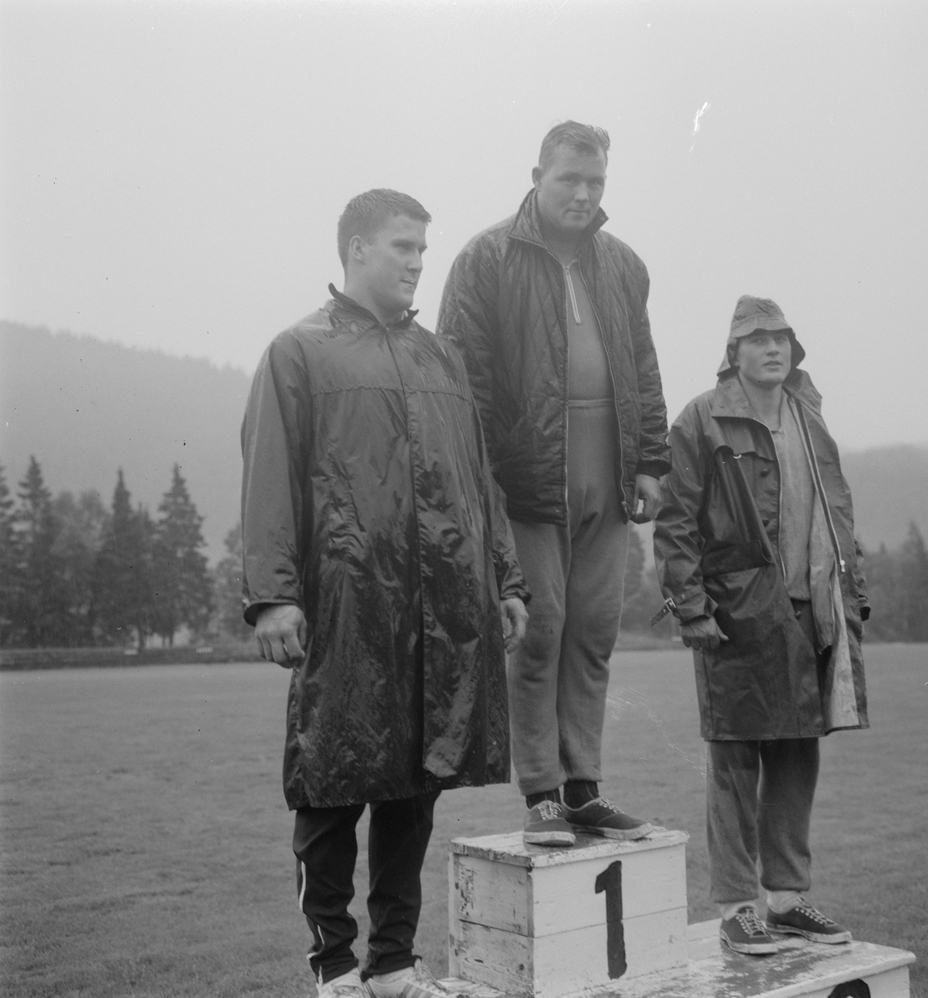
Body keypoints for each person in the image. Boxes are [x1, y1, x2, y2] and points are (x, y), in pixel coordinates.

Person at [241, 189, 529, 998]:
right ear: (357, 248)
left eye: (422, 250)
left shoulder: (442, 357)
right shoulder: (296, 352)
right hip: (344, 601)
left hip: (442, 605)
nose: (416, 263)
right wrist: (272, 595)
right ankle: (333, 968)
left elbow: (479, 479)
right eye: (403, 247)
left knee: (417, 781)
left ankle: (394, 963)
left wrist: (504, 577)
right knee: (332, 781)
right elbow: (268, 478)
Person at [438, 122, 670, 847]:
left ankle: (584, 788)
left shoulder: (624, 264)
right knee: (538, 634)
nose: (582, 193)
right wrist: (479, 483)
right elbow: (461, 380)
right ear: (537, 173)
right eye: (569, 178)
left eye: (595, 181)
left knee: (595, 632)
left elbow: (644, 367)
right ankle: (540, 795)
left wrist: (652, 463)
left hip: (609, 472)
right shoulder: (485, 258)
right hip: (525, 481)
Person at [654, 295, 870, 955]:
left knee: (797, 756)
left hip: (813, 614)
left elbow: (837, 508)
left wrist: (852, 594)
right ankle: (737, 907)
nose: (773, 348)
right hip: (736, 614)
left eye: (782, 338)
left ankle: (788, 901)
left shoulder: (811, 418)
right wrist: (692, 609)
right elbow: (675, 522)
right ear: (734, 352)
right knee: (733, 760)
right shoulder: (702, 419)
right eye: (758, 339)